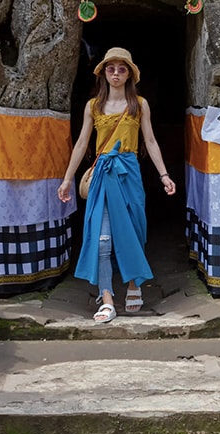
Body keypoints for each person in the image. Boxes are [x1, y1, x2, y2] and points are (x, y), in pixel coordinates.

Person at [58, 47, 176, 323]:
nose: (115, 73)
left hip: (129, 173)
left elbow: (150, 141)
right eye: (110, 68)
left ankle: (134, 284)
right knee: (102, 239)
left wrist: (164, 175)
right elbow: (82, 144)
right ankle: (107, 297)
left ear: (130, 74)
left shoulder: (139, 104)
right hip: (102, 175)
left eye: (122, 69)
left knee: (133, 230)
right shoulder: (93, 106)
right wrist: (67, 179)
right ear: (103, 73)